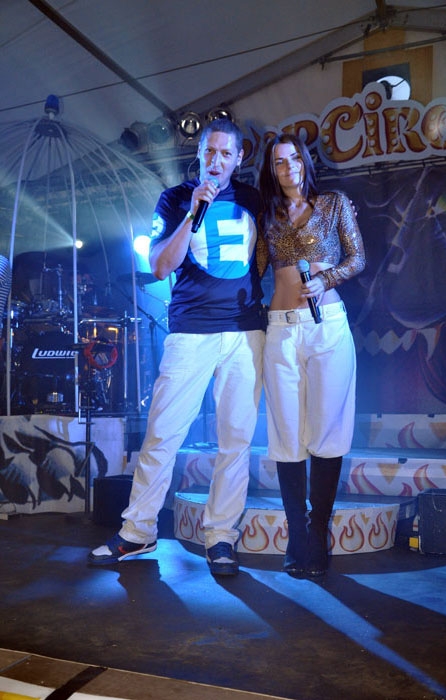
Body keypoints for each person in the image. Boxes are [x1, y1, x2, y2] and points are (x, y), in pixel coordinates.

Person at [88, 118, 265, 576]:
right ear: (200, 153)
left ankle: (221, 536)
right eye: (210, 152)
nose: (217, 161)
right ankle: (138, 531)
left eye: (226, 154)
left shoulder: (253, 200)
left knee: (236, 440)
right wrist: (193, 212)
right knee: (163, 433)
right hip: (190, 331)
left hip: (245, 332)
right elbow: (160, 266)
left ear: (238, 158)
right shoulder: (174, 198)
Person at [257, 133, 365, 578]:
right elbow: (253, 268)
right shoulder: (266, 214)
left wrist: (327, 279)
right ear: (272, 170)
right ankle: (296, 534)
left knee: (327, 429)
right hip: (281, 331)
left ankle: (317, 530)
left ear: (305, 161)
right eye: (279, 162)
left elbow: (357, 258)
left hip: (327, 328)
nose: (288, 168)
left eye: (294, 159)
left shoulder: (335, 204)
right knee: (287, 434)